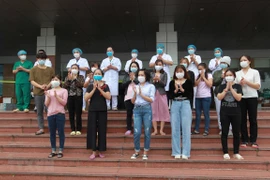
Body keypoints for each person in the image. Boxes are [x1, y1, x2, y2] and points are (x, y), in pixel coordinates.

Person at [217, 69, 243, 160]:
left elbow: (239, 98)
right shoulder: (221, 86)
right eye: (227, 75)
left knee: (236, 132)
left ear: (234, 76)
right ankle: (225, 152)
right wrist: (226, 89)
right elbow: (219, 97)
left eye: (230, 75)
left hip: (236, 112)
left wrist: (231, 88)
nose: (228, 77)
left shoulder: (238, 86)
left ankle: (236, 152)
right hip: (225, 112)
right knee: (224, 132)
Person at [235, 55, 261, 148]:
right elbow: (235, 86)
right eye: (241, 60)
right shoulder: (237, 73)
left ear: (249, 61)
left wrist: (247, 82)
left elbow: (258, 86)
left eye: (245, 60)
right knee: (242, 119)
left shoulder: (254, 72)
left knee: (252, 119)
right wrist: (240, 84)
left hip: (252, 97)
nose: (243, 62)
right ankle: (244, 139)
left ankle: (253, 140)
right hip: (241, 97)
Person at [85, 69, 111, 160]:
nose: (97, 75)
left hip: (102, 110)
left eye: (99, 74)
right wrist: (94, 89)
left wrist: (99, 88)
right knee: (92, 130)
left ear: (102, 75)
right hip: (92, 110)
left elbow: (108, 97)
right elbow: (86, 98)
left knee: (102, 130)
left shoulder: (106, 86)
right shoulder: (90, 86)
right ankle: (93, 151)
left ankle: (101, 150)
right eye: (96, 74)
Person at [130, 69, 155, 160]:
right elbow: (133, 101)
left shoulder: (151, 86)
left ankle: (145, 151)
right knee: (137, 132)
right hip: (137, 109)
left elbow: (151, 100)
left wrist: (141, 94)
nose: (140, 77)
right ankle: (136, 151)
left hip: (146, 109)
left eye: (142, 75)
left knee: (147, 131)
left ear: (146, 76)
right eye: (139, 75)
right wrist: (135, 94)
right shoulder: (136, 86)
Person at [169, 65, 193, 160]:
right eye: (177, 71)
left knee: (186, 128)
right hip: (175, 104)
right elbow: (170, 95)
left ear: (184, 72)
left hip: (185, 103)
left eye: (181, 71)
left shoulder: (189, 82)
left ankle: (186, 152)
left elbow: (190, 94)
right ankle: (176, 151)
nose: (179, 73)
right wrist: (175, 90)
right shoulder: (172, 82)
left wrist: (182, 90)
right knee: (175, 128)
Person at [29, 53, 54, 135]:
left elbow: (53, 79)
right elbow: (32, 81)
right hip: (37, 92)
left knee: (49, 111)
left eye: (43, 58)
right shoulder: (33, 69)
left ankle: (52, 128)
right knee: (39, 111)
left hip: (49, 92)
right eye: (39, 58)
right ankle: (41, 128)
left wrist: (48, 86)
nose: (41, 60)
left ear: (46, 59)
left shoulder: (50, 69)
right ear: (37, 59)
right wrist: (40, 86)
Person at [45, 75, 68, 158]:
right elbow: (46, 104)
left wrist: (56, 96)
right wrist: (48, 97)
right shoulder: (49, 91)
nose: (54, 81)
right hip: (50, 114)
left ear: (60, 81)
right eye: (53, 79)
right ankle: (53, 150)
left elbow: (64, 103)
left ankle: (61, 149)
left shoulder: (64, 91)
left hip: (60, 114)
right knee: (52, 133)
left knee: (61, 132)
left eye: (56, 79)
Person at [213, 56, 233, 136]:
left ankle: (230, 129)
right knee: (219, 111)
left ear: (228, 64)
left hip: (229, 94)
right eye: (221, 63)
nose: (222, 64)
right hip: (218, 93)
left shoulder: (231, 72)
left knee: (230, 112)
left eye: (224, 63)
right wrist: (221, 78)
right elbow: (214, 82)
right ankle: (222, 128)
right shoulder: (217, 72)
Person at [63, 64, 85, 136]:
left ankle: (78, 129)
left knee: (78, 113)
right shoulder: (67, 77)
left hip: (78, 96)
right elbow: (65, 86)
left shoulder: (81, 77)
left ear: (78, 69)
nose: (74, 69)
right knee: (71, 113)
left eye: (75, 68)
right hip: (70, 96)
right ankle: (72, 129)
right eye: (73, 68)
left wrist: (75, 79)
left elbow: (81, 85)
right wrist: (69, 80)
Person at [150, 59, 170, 136]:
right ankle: (155, 130)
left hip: (162, 93)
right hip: (153, 93)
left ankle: (161, 130)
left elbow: (164, 84)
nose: (158, 66)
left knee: (163, 110)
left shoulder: (164, 74)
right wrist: (154, 81)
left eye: (160, 64)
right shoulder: (152, 73)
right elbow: (150, 83)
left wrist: (159, 80)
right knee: (153, 111)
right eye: (157, 64)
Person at [193, 63, 213, 136]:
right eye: (198, 69)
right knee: (198, 114)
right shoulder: (196, 76)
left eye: (201, 69)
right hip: (198, 97)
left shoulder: (209, 75)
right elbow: (195, 84)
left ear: (205, 69)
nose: (200, 70)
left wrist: (204, 77)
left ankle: (206, 129)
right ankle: (196, 129)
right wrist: (199, 78)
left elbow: (210, 84)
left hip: (206, 97)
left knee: (206, 113)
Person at [121, 62, 140, 135]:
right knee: (129, 113)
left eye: (135, 66)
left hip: (137, 97)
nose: (133, 67)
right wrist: (129, 80)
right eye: (132, 66)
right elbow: (122, 86)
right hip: (128, 97)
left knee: (137, 114)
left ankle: (137, 128)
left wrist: (134, 79)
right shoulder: (126, 76)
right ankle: (129, 128)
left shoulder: (139, 75)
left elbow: (140, 83)